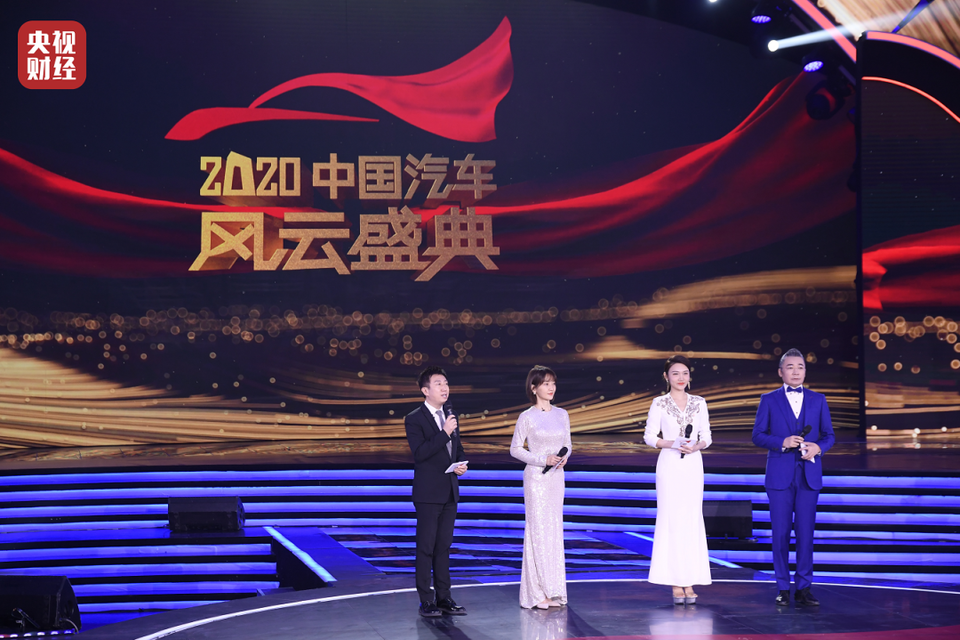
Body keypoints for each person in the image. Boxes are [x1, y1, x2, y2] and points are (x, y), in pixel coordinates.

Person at [751, 348, 835, 607]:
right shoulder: (768, 399)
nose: (796, 371)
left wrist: (818, 447)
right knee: (780, 534)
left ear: (805, 371)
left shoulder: (818, 399)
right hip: (779, 476)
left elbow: (829, 435)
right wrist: (782, 442)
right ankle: (782, 587)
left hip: (809, 476)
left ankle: (804, 587)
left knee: (805, 534)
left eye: (800, 367)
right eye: (790, 367)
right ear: (781, 372)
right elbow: (757, 435)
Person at [643, 355, 712, 604]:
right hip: (670, 465)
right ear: (666, 377)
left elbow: (707, 436)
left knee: (691, 520)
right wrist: (673, 443)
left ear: (690, 376)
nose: (681, 378)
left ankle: (689, 580)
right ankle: (674, 581)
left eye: (684, 373)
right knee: (671, 520)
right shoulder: (659, 403)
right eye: (675, 373)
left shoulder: (699, 402)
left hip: (692, 465)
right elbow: (650, 436)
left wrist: (697, 446)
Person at [405, 366, 468, 618]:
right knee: (426, 547)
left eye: (446, 383)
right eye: (438, 383)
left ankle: (444, 598)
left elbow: (457, 449)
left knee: (443, 547)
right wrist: (445, 433)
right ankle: (426, 600)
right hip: (428, 494)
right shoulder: (414, 418)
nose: (444, 388)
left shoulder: (451, 416)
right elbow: (420, 453)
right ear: (425, 390)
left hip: (450, 491)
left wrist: (461, 464)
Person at [510, 365, 572, 609]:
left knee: (554, 531)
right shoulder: (527, 416)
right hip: (536, 479)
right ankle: (535, 594)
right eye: (546, 383)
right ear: (534, 388)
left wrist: (564, 457)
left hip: (556, 478)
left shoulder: (562, 414)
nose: (551, 387)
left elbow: (568, 443)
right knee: (537, 532)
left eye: (553, 383)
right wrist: (542, 459)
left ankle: (553, 590)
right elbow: (515, 449)